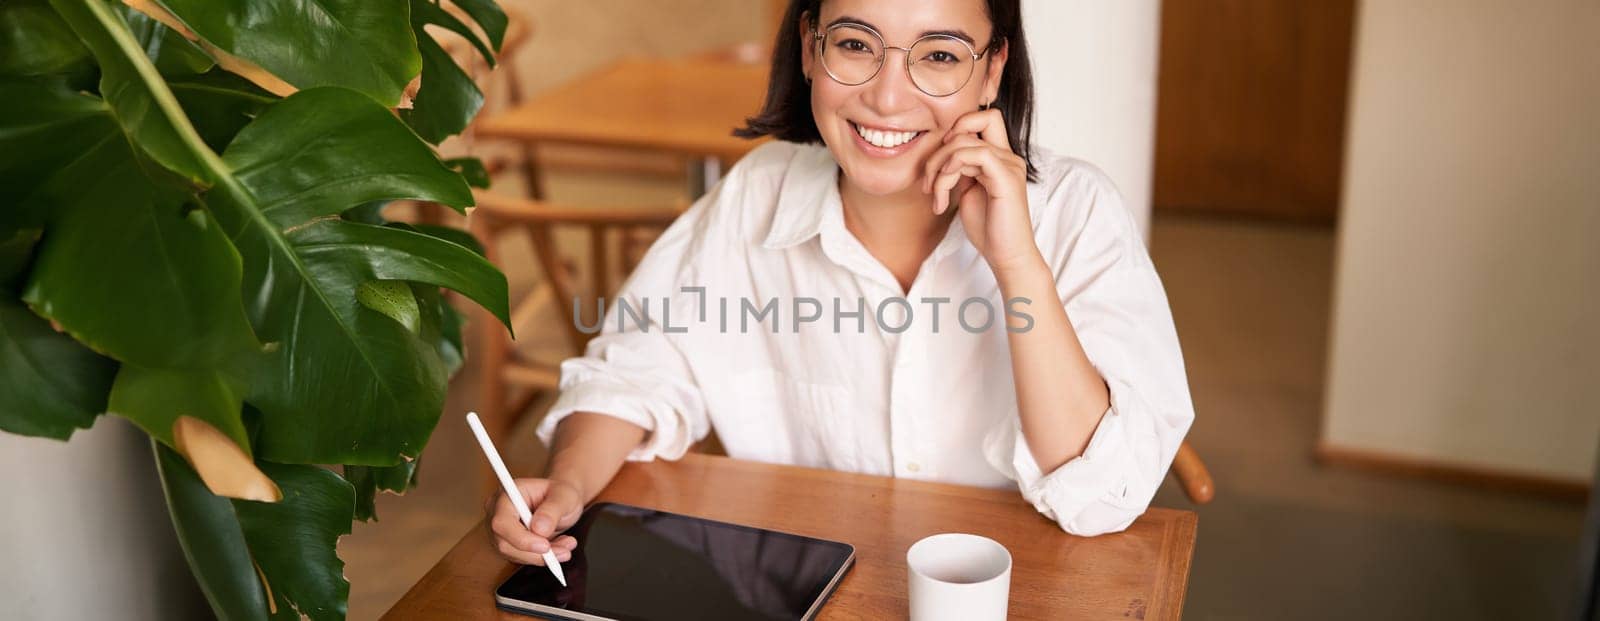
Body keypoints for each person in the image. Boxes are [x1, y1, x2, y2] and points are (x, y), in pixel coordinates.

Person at [487, 0, 1194, 568]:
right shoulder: (757, 194)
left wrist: (1016, 263)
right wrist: (571, 483)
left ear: (993, 70)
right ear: (809, 48)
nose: (888, 97)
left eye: (941, 56)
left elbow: (1100, 497)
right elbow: (636, 367)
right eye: (855, 44)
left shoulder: (1078, 211)